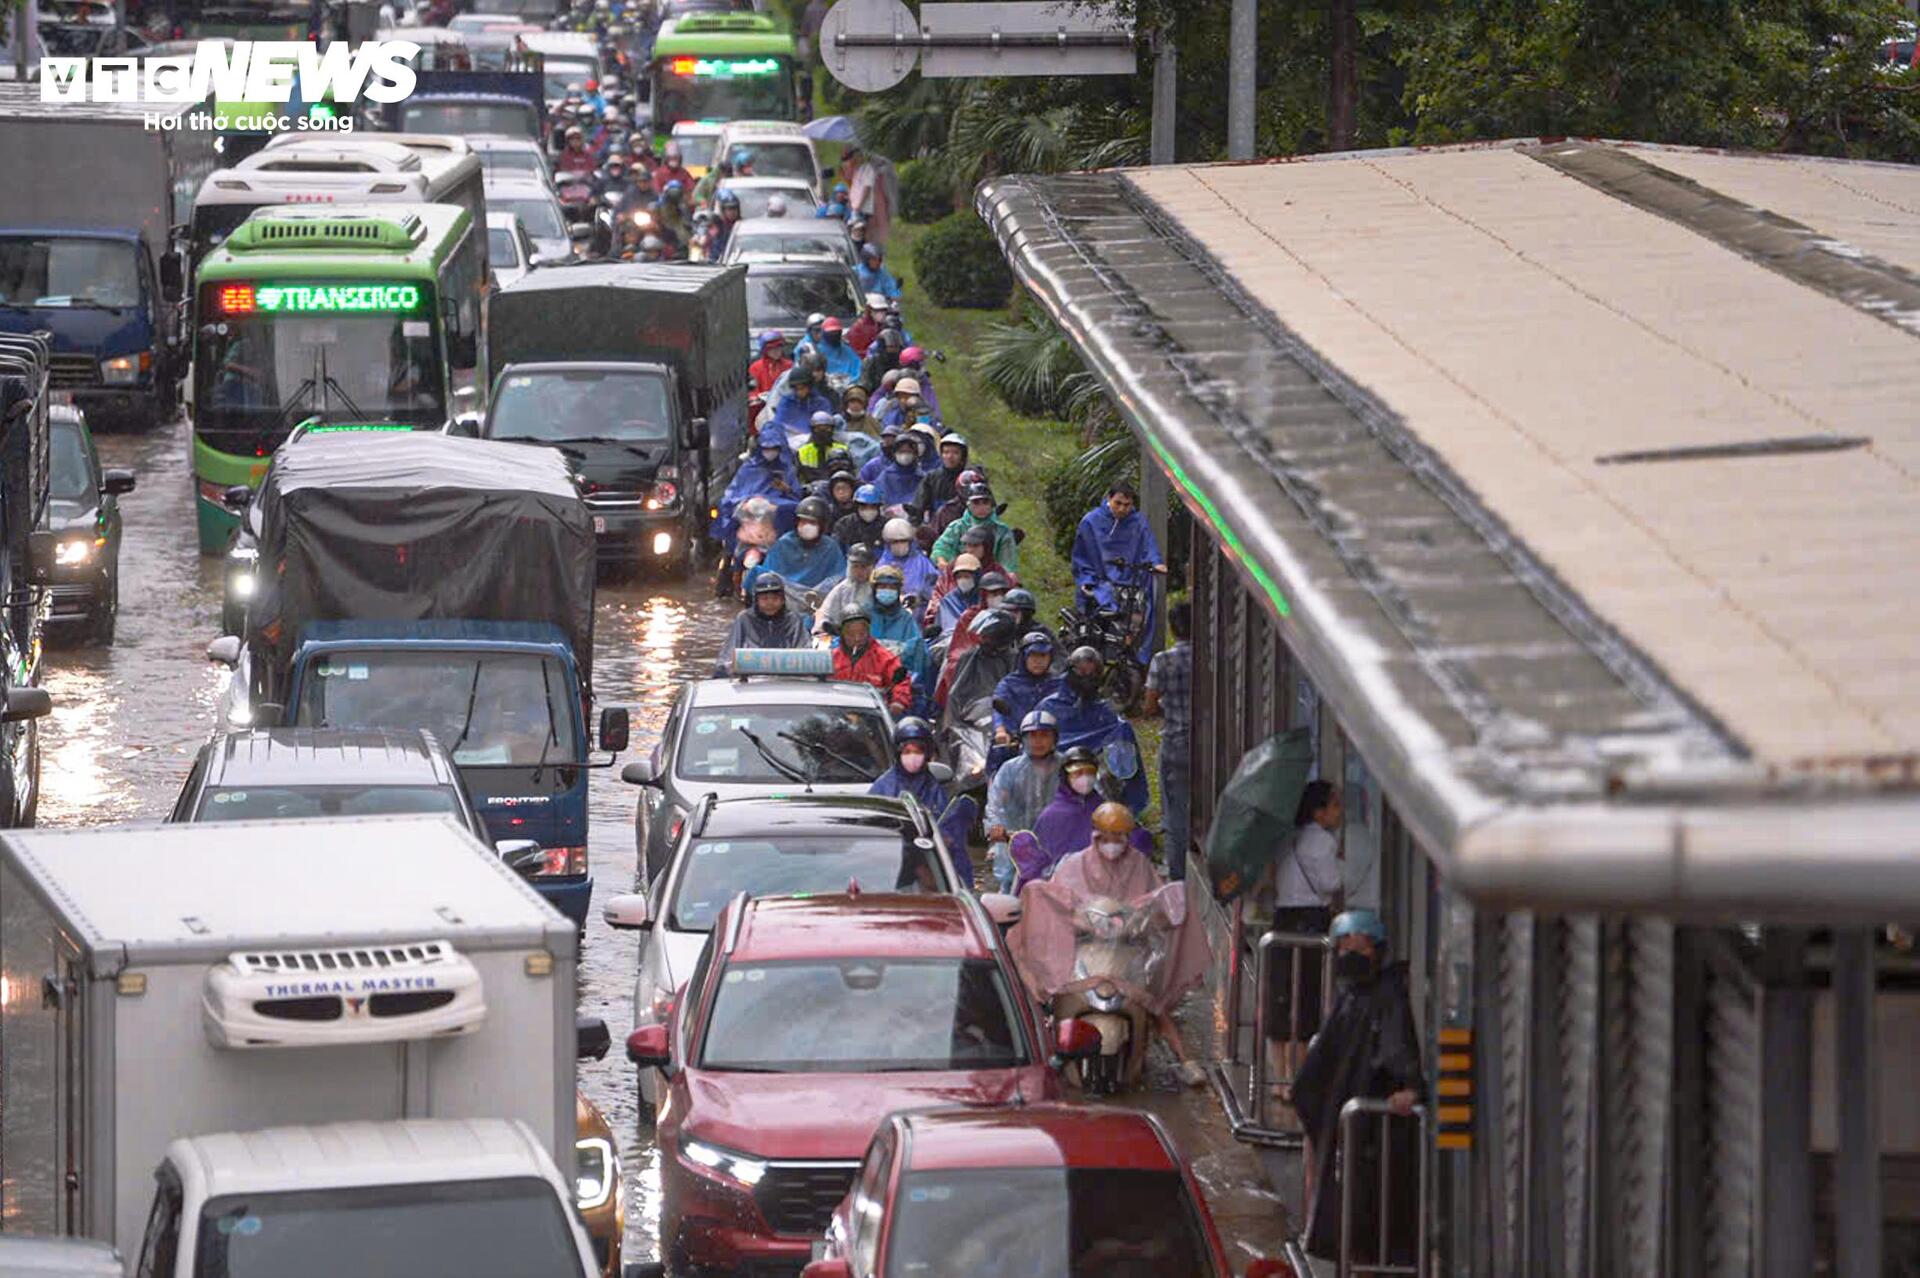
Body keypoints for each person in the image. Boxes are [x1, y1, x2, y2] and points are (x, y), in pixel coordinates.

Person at [1008, 802, 1211, 1086]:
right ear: (1096, 835)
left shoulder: (1140, 865)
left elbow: (1156, 904)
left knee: (1154, 1006)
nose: (1113, 844)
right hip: (1083, 955)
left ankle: (1184, 1058)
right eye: (1108, 837)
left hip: (1128, 954)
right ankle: (1037, 1054)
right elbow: (1057, 900)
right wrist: (1078, 920)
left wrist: (1144, 918)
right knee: (1048, 1003)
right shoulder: (1073, 865)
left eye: (1120, 837)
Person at [1287, 909, 1425, 1267]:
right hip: (1342, 1120)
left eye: (1360, 949)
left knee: (1366, 1218)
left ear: (1377, 951)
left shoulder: (1385, 995)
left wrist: (1409, 1086)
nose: (1351, 956)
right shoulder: (1351, 993)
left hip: (1369, 1137)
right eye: (1344, 948)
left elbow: (1396, 1047)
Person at [1261, 778, 1346, 1099]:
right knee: (1307, 1000)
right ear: (1319, 811)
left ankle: (1279, 1079)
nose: (1340, 812)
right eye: (1335, 804)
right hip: (1311, 922)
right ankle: (1298, 1080)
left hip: (1283, 919)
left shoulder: (1286, 838)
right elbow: (1330, 883)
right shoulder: (1323, 842)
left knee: (1282, 996)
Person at [1036, 646, 1148, 811]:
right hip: (1055, 773)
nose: (1087, 676)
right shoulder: (1049, 706)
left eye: (1092, 672)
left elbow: (1119, 745)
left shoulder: (1105, 711)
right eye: (1082, 670)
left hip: (1095, 774)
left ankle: (1119, 809)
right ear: (1071, 670)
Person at [1071, 480, 1168, 664]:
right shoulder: (1091, 521)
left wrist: (1156, 563)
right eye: (1118, 503)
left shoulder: (1138, 522)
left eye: (1127, 505)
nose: (1122, 509)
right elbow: (1081, 555)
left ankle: (1132, 654)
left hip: (1130, 582)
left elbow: (1148, 544)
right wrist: (1088, 579)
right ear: (1109, 499)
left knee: (1139, 611)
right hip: (1099, 581)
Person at [985, 709, 1063, 892]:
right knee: (1009, 898)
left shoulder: (1066, 767)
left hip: (1057, 845)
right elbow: (995, 803)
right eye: (1032, 736)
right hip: (1016, 846)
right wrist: (996, 827)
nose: (1038, 741)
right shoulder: (1010, 769)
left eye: (1044, 735)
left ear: (1055, 738)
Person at [1144, 599, 1193, 882]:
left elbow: (1149, 707)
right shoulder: (1210, 658)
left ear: (1173, 629)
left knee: (1174, 812)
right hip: (1207, 747)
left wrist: (1165, 704)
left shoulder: (1163, 660)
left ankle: (1177, 875)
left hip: (1175, 742)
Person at [743, 494, 846, 604]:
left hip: (817, 600)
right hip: (785, 596)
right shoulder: (785, 543)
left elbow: (839, 576)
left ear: (822, 525)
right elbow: (771, 572)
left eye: (812, 523)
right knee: (757, 573)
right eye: (803, 521)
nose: (806, 526)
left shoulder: (830, 546)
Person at [711, 423, 799, 547]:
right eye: (766, 448)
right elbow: (733, 493)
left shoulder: (787, 469)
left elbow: (796, 498)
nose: (770, 452)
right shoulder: (749, 468)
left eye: (774, 448)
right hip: (749, 518)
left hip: (775, 523)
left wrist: (786, 490)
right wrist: (744, 502)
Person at [715, 571, 812, 674]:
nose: (770, 603)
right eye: (765, 599)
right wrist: (728, 667)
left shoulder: (793, 620)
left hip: (788, 677)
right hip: (750, 677)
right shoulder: (744, 619)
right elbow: (728, 654)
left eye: (775, 598)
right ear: (756, 600)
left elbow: (806, 652)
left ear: (783, 600)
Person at [867, 563, 935, 707]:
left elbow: (919, 655)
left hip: (897, 683)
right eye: (883, 587)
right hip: (864, 683)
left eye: (892, 588)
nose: (887, 591)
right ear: (874, 589)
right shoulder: (863, 615)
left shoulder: (906, 619)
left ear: (898, 591)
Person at [831, 606, 913, 715]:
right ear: (842, 635)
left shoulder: (884, 657)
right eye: (851, 634)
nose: (857, 639)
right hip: (836, 714)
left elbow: (901, 682)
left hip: (872, 715)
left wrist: (898, 702)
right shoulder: (831, 658)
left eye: (861, 634)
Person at [993, 632, 1064, 743]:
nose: (1038, 661)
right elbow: (998, 711)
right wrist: (1000, 731)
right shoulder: (1008, 684)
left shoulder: (1059, 684)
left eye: (1043, 655)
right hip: (1017, 742)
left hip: (1054, 741)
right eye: (1033, 655)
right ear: (1023, 657)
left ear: (1050, 658)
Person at [930, 483, 1018, 572]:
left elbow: (1008, 563)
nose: (981, 507)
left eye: (985, 502)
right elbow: (941, 547)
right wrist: (942, 561)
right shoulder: (956, 527)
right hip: (959, 574)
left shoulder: (1002, 531)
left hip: (992, 577)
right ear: (968, 505)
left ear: (992, 505)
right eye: (976, 503)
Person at [869, 715, 950, 807]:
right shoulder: (883, 787)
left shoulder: (934, 789)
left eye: (918, 752)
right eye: (907, 752)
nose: (912, 756)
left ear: (927, 753)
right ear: (898, 753)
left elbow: (946, 818)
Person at [814, 541, 875, 638]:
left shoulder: (877, 587)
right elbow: (824, 614)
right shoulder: (842, 588)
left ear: (871, 567)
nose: (859, 571)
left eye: (863, 567)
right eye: (855, 566)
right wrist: (821, 628)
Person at [877, 516, 939, 604]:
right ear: (888, 544)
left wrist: (919, 597)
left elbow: (933, 586)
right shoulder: (882, 565)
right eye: (895, 542)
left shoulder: (921, 562)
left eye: (903, 541)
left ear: (910, 542)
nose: (899, 545)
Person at [912, 432, 968, 520]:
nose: (950, 456)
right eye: (946, 452)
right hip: (936, 527)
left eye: (955, 453)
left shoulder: (969, 478)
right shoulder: (931, 478)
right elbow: (919, 505)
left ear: (962, 456)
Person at [770, 365, 836, 436]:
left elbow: (826, 426)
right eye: (796, 389)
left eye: (802, 388)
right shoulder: (786, 402)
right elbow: (778, 423)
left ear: (809, 386)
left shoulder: (821, 403)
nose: (799, 392)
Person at [929, 552, 982, 638]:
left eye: (967, 576)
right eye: (959, 577)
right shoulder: (948, 602)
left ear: (976, 577)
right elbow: (942, 630)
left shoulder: (983, 598)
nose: (963, 580)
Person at [871, 429, 924, 511]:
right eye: (901, 452)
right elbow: (880, 500)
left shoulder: (921, 477)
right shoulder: (886, 476)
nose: (905, 455)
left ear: (915, 454)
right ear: (894, 454)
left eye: (908, 452)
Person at [833, 482, 889, 555]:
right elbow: (838, 553)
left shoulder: (887, 526)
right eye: (864, 507)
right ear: (857, 506)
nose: (868, 511)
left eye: (873, 507)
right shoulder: (844, 524)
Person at [795, 410, 841, 484]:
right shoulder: (802, 451)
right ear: (812, 430)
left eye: (827, 428)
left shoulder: (841, 449)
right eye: (818, 429)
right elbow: (797, 477)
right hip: (810, 489)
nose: (823, 432)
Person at [813, 316, 863, 383]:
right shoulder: (816, 352)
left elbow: (859, 370)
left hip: (849, 388)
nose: (834, 335)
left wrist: (849, 382)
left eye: (837, 332)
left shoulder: (847, 351)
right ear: (823, 333)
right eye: (831, 333)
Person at [651, 180, 693, 257]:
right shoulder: (659, 204)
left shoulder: (683, 206)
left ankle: (683, 252)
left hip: (676, 226)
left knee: (684, 235)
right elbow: (653, 213)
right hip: (662, 226)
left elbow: (687, 221)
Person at [848, 293, 890, 360]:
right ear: (869, 310)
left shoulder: (886, 326)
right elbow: (856, 353)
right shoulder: (858, 328)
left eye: (883, 310)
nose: (881, 313)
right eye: (877, 310)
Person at [749, 331, 791, 397]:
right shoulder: (756, 367)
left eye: (778, 347)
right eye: (771, 348)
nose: (776, 350)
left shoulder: (789, 365)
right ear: (765, 350)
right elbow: (753, 391)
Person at [707, 188, 744, 259]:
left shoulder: (741, 225)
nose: (732, 212)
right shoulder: (716, 225)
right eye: (729, 209)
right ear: (722, 210)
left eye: (735, 208)